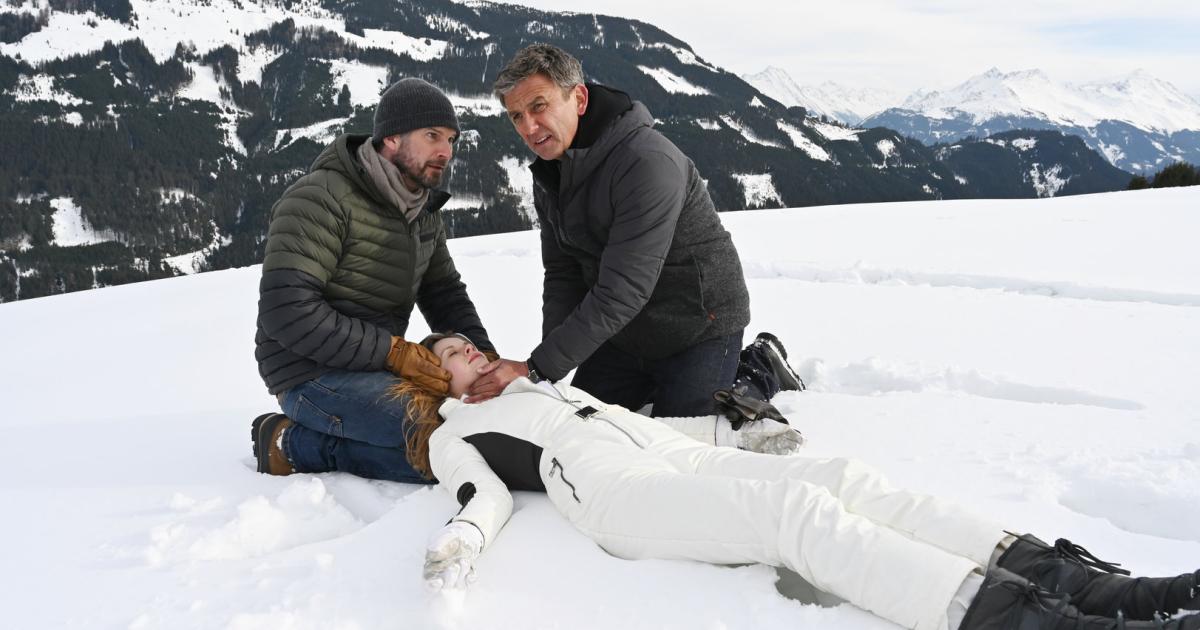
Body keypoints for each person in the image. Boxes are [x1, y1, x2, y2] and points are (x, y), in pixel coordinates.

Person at [413, 333, 1198, 630]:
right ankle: (1030, 622)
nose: (473, 354)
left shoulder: (545, 386)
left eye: (474, 346)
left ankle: (1082, 586)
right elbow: (480, 495)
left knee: (840, 474)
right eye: (453, 353)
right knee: (791, 507)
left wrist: (738, 429)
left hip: (673, 458)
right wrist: (462, 542)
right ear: (434, 375)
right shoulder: (458, 431)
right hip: (615, 498)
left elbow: (651, 428)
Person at [466, 43, 754, 419]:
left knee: (674, 440)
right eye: (516, 116)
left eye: (539, 106)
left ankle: (756, 369)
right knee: (579, 425)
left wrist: (537, 367)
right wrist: (548, 367)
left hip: (697, 325)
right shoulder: (551, 170)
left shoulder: (645, 161)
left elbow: (623, 289)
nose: (529, 128)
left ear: (579, 98)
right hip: (626, 333)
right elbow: (563, 271)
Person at [249, 78, 498, 483]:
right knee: (446, 438)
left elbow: (444, 294)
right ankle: (290, 444)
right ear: (393, 139)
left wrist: (487, 361)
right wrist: (394, 352)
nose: (446, 152)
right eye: (432, 136)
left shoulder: (421, 209)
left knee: (482, 415)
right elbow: (287, 312)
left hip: (372, 365)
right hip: (307, 373)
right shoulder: (319, 198)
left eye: (451, 139)